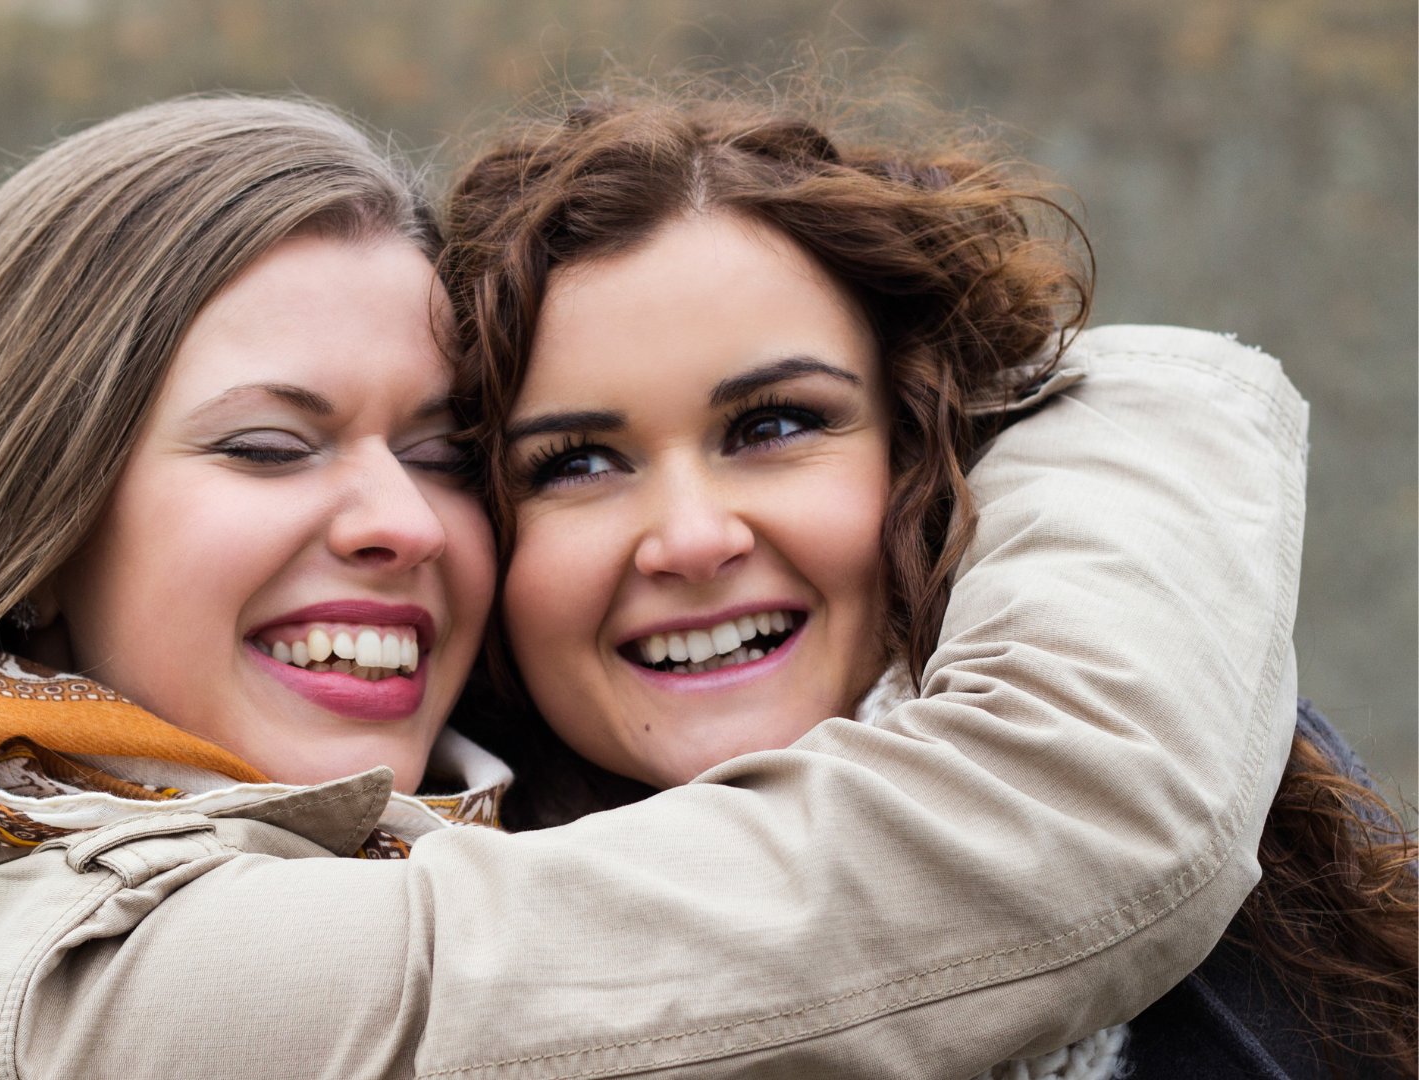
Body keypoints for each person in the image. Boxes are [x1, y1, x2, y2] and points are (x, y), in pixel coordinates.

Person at [0, 94, 1309, 1080]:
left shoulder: (469, 820)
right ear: (26, 539)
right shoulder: (115, 994)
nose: (399, 522)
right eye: (266, 448)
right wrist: (1125, 386)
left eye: (451, 451)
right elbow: (1076, 816)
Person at [439, 85, 1417, 1078]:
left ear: (916, 448)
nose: (690, 540)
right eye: (577, 463)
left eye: (773, 425)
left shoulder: (1225, 796)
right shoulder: (401, 932)